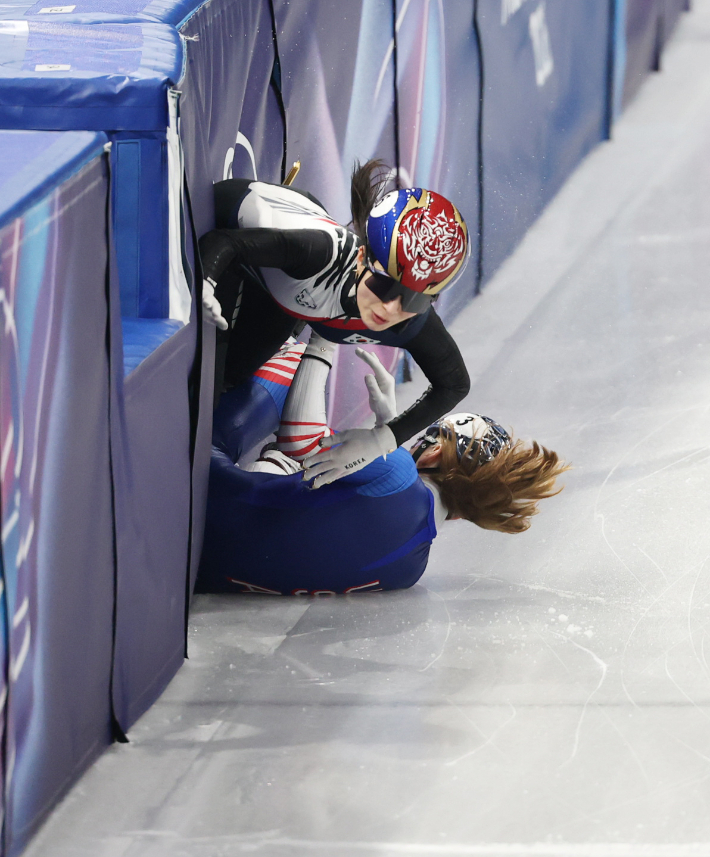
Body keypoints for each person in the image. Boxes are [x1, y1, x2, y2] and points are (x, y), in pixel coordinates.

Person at [196, 333, 569, 596]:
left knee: (296, 362)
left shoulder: (398, 472)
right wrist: (382, 436)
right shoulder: (410, 571)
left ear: (434, 453)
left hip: (200, 499)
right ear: (462, 513)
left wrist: (324, 337)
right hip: (203, 573)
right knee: (295, 476)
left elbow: (301, 440)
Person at [198, 160, 471, 482]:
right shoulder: (319, 255)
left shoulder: (411, 322)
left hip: (285, 292)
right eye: (385, 285)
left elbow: (455, 384)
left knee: (230, 378)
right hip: (234, 233)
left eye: (414, 299)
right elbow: (224, 243)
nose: (390, 308)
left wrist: (382, 439)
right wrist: (206, 284)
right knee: (201, 392)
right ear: (361, 258)